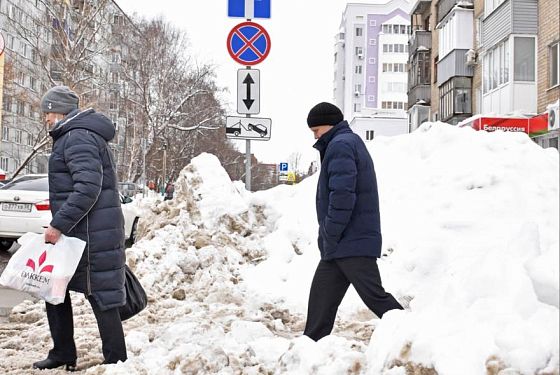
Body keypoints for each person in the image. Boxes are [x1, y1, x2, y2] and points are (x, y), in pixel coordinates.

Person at [34, 86, 127, 370]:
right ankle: (63, 352)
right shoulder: (74, 135)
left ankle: (116, 360)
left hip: (89, 234)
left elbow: (87, 188)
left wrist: (59, 224)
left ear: (58, 110)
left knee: (101, 296)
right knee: (55, 289)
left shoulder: (77, 137)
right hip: (84, 231)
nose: (46, 118)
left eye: (47, 112)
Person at [303, 102, 403, 341]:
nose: (315, 136)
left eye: (316, 130)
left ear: (329, 124)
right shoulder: (344, 143)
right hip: (343, 244)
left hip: (350, 241)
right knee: (321, 298)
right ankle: (309, 347)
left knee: (376, 298)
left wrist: (330, 231)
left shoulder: (341, 145)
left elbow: (342, 197)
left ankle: (412, 335)